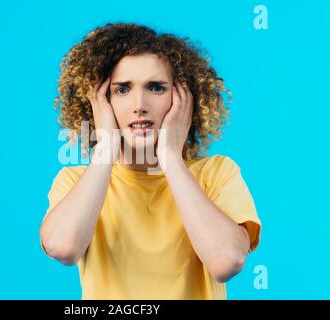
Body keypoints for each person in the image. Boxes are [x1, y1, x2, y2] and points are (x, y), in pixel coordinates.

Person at [39, 22, 262, 299]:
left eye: (156, 87)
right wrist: (106, 147)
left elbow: (226, 262)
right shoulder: (75, 183)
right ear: (99, 103)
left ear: (184, 99)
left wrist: (169, 156)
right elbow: (64, 247)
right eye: (122, 89)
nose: (139, 104)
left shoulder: (217, 173)